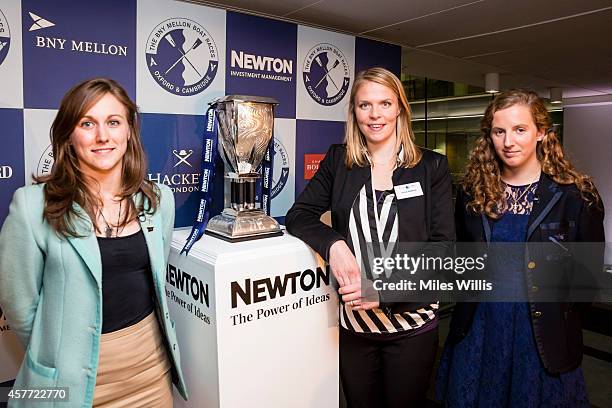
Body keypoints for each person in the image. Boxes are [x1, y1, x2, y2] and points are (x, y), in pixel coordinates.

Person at [0, 78, 188, 407]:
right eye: (87, 123)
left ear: (129, 131)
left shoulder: (159, 200)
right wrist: (62, 355)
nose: (103, 136)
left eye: (113, 122)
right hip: (71, 385)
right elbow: (20, 308)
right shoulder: (31, 206)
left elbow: (155, 280)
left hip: (150, 373)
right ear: (69, 136)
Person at [286, 67, 454, 407]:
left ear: (400, 109)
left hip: (412, 326)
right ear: (354, 112)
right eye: (365, 105)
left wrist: (383, 289)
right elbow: (298, 216)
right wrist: (334, 244)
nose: (375, 114)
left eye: (385, 103)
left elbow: (443, 250)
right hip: (356, 329)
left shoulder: (431, 167)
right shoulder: (339, 160)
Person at [436, 89, 605, 407]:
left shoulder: (577, 196)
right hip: (479, 330)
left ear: (541, 132)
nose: (508, 141)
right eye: (499, 131)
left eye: (520, 129)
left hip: (541, 335)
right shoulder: (473, 192)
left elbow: (587, 283)